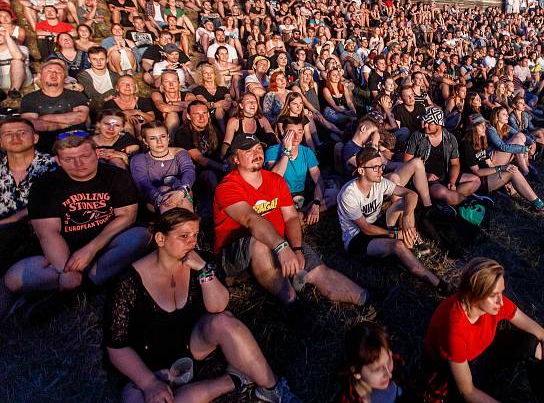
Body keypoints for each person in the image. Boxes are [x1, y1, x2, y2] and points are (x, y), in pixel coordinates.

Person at [104, 208, 296, 403]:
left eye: (195, 235)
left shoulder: (199, 261)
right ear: (160, 239)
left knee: (223, 321)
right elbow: (116, 347)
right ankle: (234, 380)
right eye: (184, 236)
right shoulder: (128, 283)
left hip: (191, 344)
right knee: (133, 397)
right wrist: (149, 383)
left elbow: (218, 307)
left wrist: (204, 270)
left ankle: (273, 389)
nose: (192, 242)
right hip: (148, 361)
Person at [213, 133, 376, 314]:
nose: (257, 153)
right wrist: (282, 247)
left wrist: (296, 249)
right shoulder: (227, 187)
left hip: (276, 241)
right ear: (236, 158)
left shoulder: (274, 180)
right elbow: (251, 219)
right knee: (258, 242)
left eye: (259, 148)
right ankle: (292, 305)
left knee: (318, 270)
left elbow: (290, 217)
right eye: (248, 151)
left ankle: (367, 299)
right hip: (237, 252)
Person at [4, 133, 149, 306]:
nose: (78, 164)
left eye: (84, 156)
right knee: (14, 279)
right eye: (69, 159)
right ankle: (83, 285)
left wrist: (91, 249)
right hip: (62, 250)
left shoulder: (116, 176)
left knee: (140, 236)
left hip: (105, 243)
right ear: (58, 160)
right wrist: (66, 270)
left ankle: (77, 290)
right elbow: (48, 233)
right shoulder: (46, 185)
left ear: (97, 154)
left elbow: (127, 216)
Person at [421, 257, 544, 402]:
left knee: (533, 344)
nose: (501, 301)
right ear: (473, 295)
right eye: (494, 295)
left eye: (501, 292)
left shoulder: (495, 305)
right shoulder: (453, 329)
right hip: (455, 371)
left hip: (481, 351)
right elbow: (467, 391)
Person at [337, 147, 450, 293]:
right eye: (375, 167)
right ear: (361, 170)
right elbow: (365, 229)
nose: (380, 171)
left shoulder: (380, 182)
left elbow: (411, 194)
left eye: (381, 166)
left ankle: (410, 242)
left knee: (404, 203)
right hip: (357, 239)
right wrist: (395, 234)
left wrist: (408, 216)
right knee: (397, 245)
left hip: (376, 224)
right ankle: (438, 284)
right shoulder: (349, 194)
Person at [0, 118, 57, 318]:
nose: (14, 137)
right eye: (8, 134)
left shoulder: (52, 166)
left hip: (38, 236)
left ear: (35, 138)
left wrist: (8, 222)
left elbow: (45, 208)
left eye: (21, 132)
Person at [460, 114, 544, 213]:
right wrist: (501, 168)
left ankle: (538, 203)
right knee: (512, 171)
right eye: (481, 126)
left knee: (512, 170)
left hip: (488, 175)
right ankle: (539, 205)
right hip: (478, 183)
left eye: (485, 125)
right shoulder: (466, 144)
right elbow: (477, 172)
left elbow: (488, 162)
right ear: (473, 128)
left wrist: (502, 179)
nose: (485, 128)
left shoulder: (480, 140)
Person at [403, 106, 482, 207]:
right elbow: (407, 163)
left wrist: (452, 182)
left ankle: (450, 200)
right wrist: (425, 175)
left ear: (439, 125)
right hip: (427, 180)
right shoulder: (417, 136)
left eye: (429, 123)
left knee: (476, 180)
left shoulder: (450, 138)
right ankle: (464, 204)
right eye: (425, 122)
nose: (425, 125)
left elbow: (455, 164)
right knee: (447, 194)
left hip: (446, 174)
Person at [20, 58, 90, 152]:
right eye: (49, 71)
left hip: (75, 145)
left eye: (58, 72)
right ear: (40, 76)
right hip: (43, 146)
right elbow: (32, 125)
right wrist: (67, 123)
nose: (54, 74)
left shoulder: (76, 95)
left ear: (65, 78)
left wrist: (44, 118)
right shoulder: (29, 99)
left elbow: (80, 117)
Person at [130, 121, 196, 214]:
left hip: (181, 194)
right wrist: (161, 198)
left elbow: (189, 171)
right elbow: (143, 183)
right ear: (145, 141)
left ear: (168, 137)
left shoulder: (179, 153)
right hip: (153, 201)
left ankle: (189, 224)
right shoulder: (139, 159)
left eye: (163, 136)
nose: (159, 141)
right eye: (153, 138)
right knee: (164, 189)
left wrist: (181, 192)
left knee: (184, 190)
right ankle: (170, 225)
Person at [335, 321, 408, 403]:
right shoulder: (348, 400)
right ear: (356, 372)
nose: (389, 374)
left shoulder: (396, 366)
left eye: (388, 361)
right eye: (377, 370)